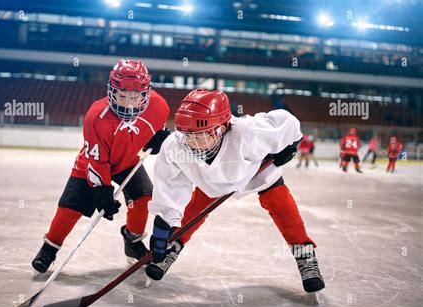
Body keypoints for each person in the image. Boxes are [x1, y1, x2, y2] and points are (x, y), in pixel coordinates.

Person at [146, 89, 325, 293]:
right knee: (192, 211)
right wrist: (162, 229)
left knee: (283, 208)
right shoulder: (175, 146)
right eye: (187, 135)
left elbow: (288, 122)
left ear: (222, 128)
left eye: (200, 136)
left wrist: (291, 145)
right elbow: (170, 187)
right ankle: (173, 247)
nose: (192, 143)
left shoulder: (249, 132)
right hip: (212, 181)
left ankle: (305, 255)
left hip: (254, 172)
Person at [31, 59, 171, 273]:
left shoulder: (159, 106)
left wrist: (157, 139)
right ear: (111, 91)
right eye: (122, 96)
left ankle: (132, 242)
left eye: (134, 97)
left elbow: (154, 131)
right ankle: (50, 247)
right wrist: (103, 191)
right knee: (70, 208)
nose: (128, 103)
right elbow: (97, 161)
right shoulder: (96, 117)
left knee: (143, 198)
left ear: (145, 93)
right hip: (92, 164)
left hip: (127, 162)